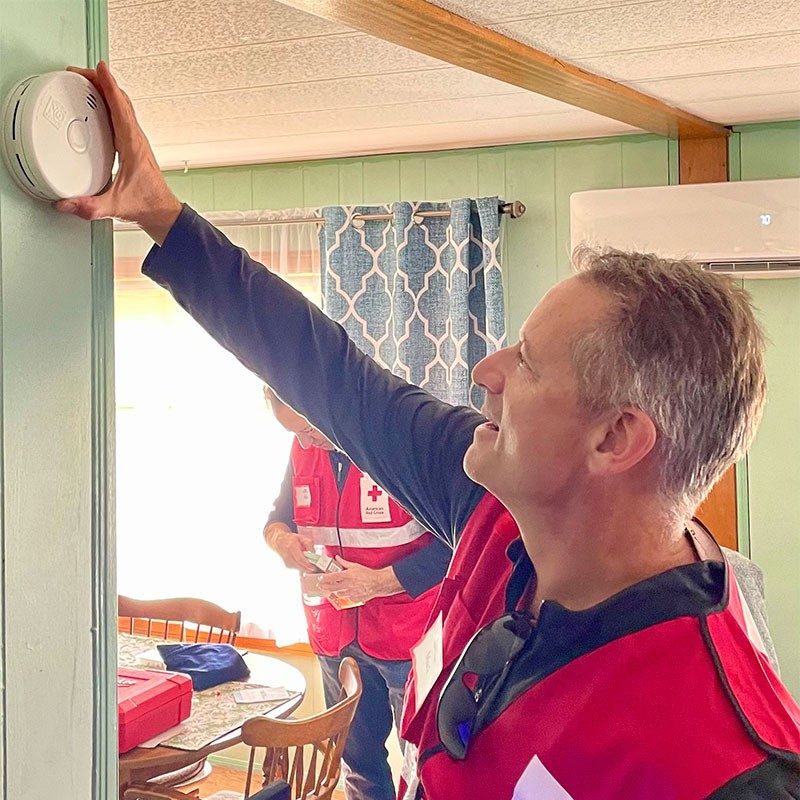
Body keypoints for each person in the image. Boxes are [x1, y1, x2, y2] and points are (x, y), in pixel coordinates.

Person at [59, 62, 800, 799]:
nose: (487, 370)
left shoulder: (726, 761)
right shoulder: (492, 505)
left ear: (615, 440)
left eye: (529, 364)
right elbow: (331, 375)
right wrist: (159, 212)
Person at [261, 386, 450, 800]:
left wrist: (379, 582)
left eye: (311, 429)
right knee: (357, 765)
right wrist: (282, 541)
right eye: (298, 435)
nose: (308, 442)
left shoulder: (400, 445)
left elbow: (455, 545)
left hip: (406, 640)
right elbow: (278, 518)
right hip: (336, 635)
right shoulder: (303, 447)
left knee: (422, 768)